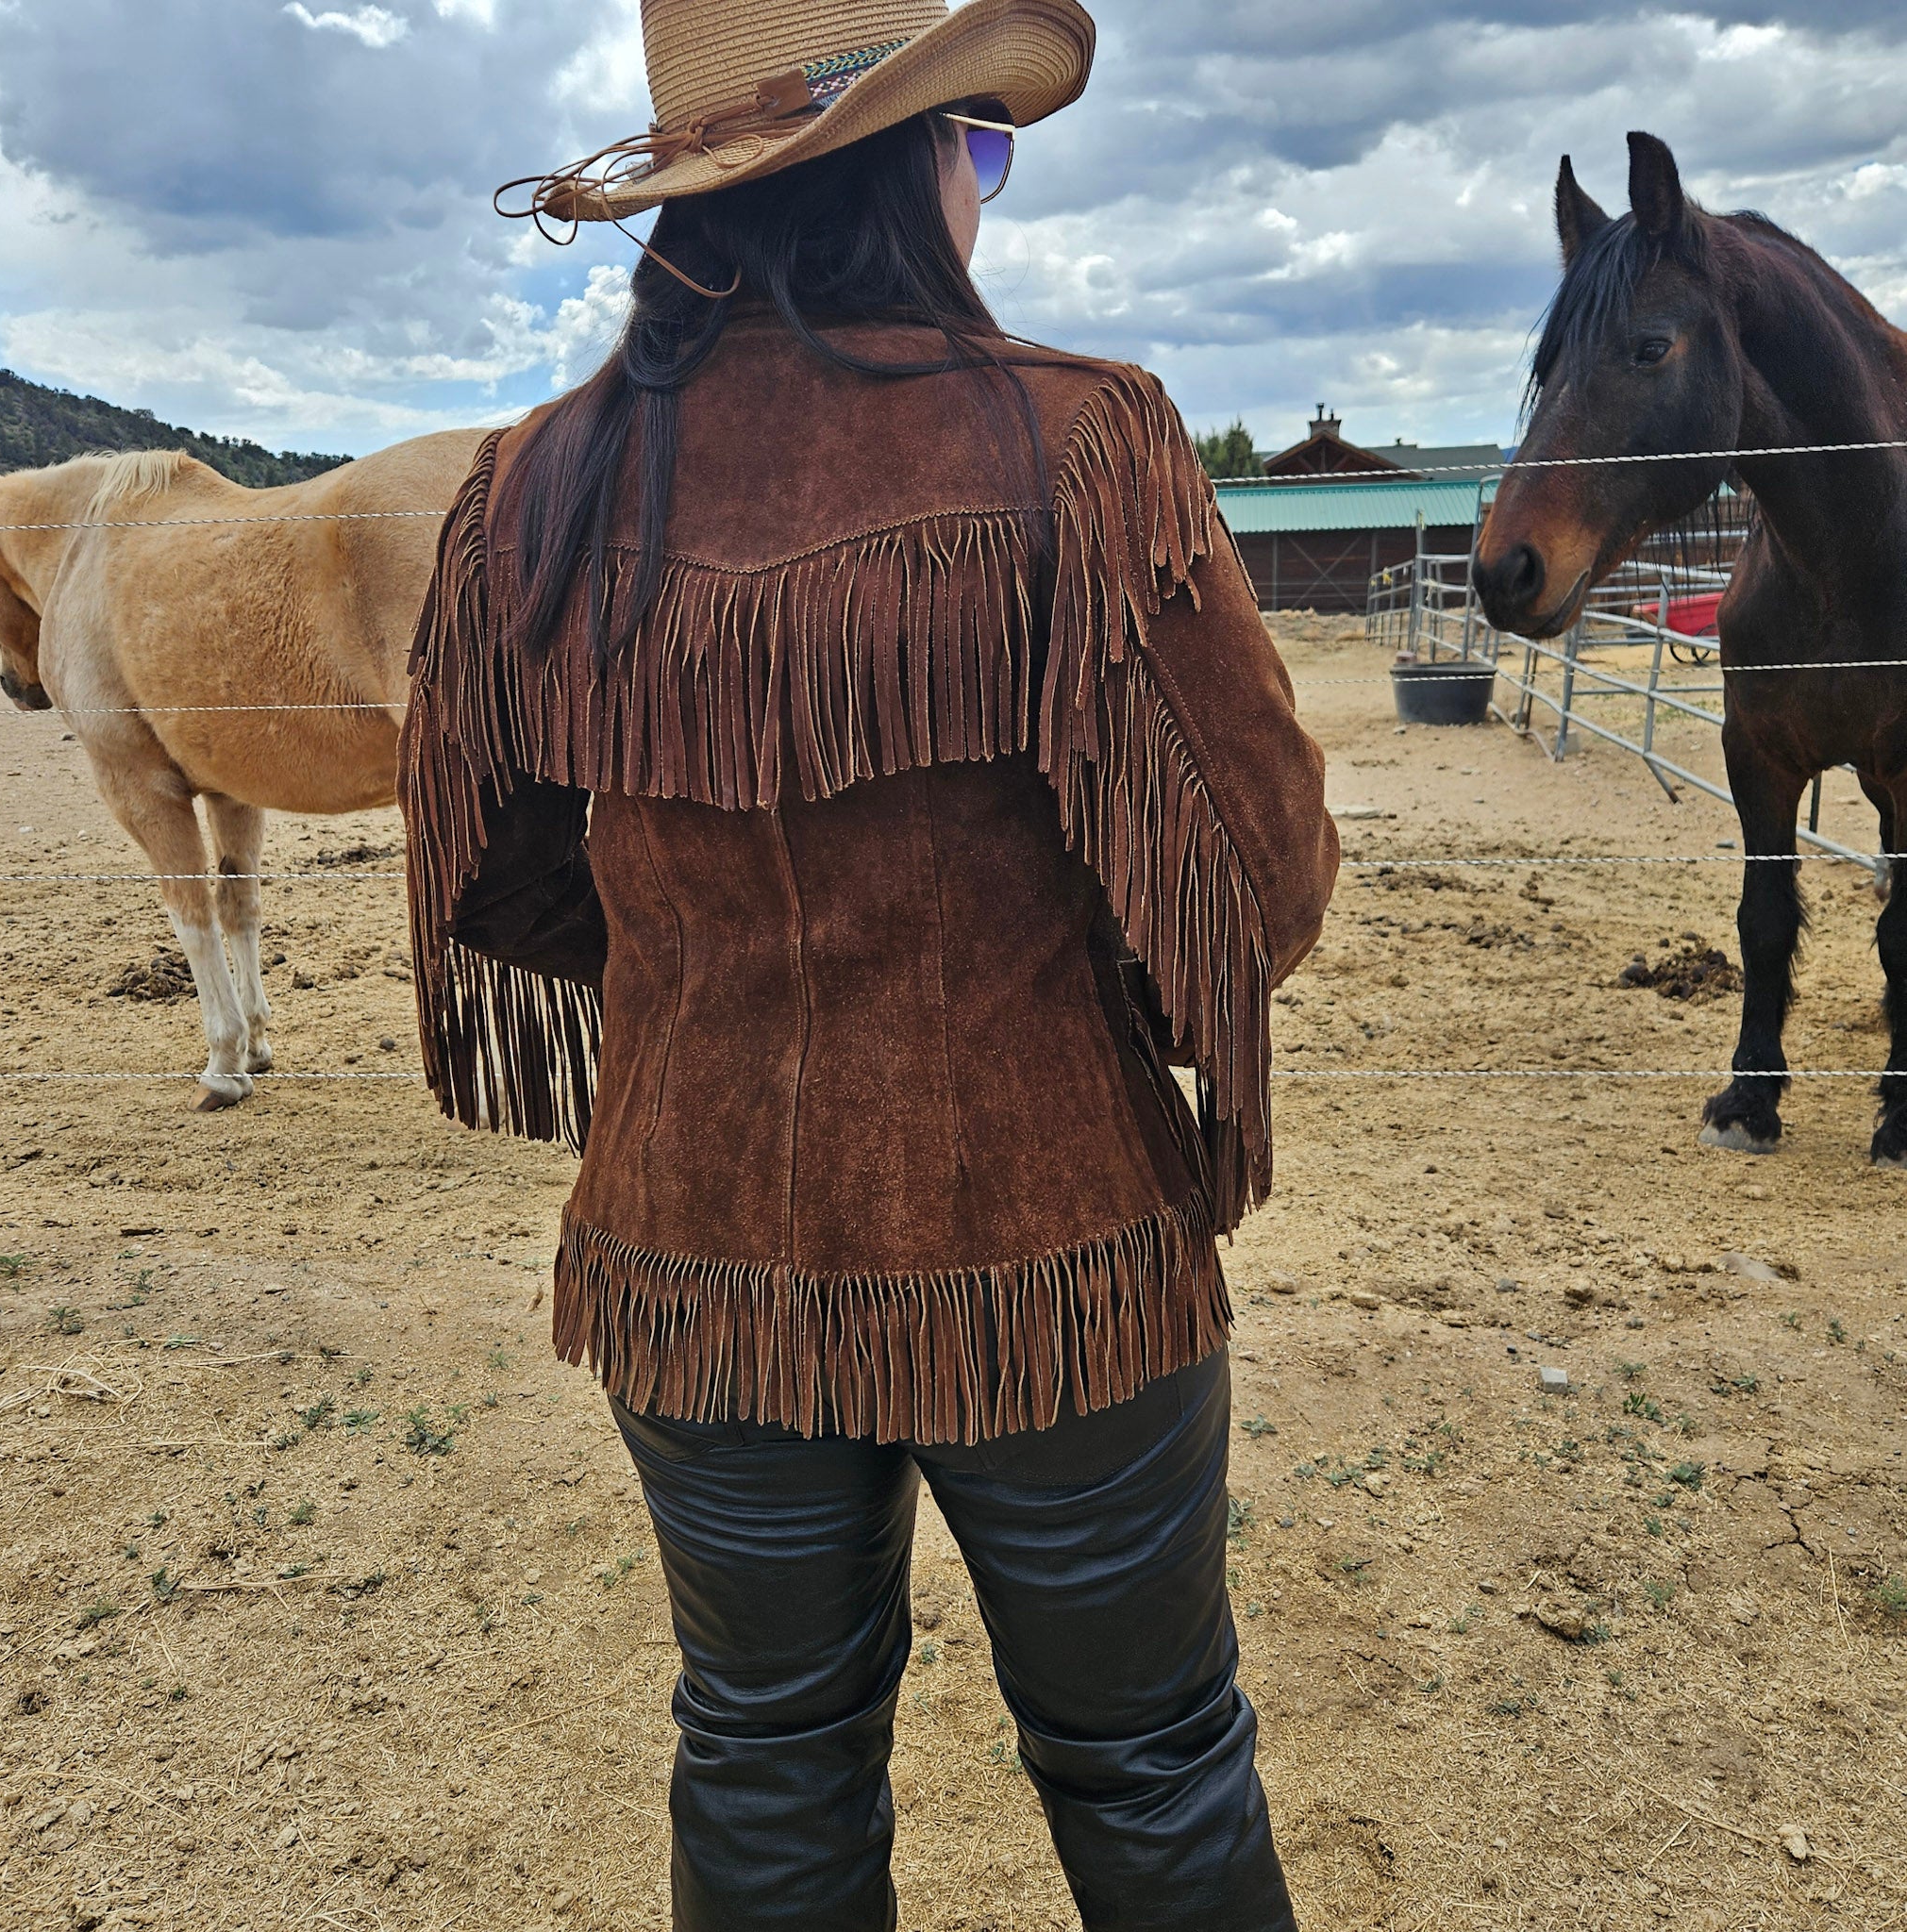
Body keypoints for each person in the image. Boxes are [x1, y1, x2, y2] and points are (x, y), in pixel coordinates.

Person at [399, 1, 1339, 1924]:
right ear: (913, 171)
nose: (983, 184)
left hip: (696, 1253)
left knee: (763, 1753)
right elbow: (1257, 879)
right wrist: (1093, 1005)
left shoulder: (532, 494)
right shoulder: (1081, 444)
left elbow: (490, 881)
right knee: (1152, 1760)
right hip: (1057, 1255)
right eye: (976, 149)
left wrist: (695, 979)